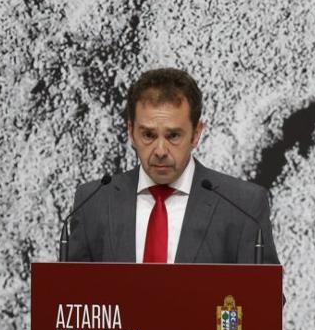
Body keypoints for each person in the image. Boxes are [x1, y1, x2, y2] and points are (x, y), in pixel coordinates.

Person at [65, 67, 279, 264]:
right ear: (131, 132)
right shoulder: (93, 202)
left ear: (196, 134)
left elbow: (266, 299)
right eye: (148, 135)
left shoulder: (242, 205)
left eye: (173, 135)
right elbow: (69, 294)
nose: (160, 150)